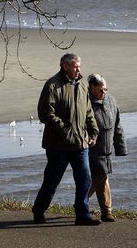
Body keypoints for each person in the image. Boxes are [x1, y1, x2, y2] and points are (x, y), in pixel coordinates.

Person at [32, 53, 100, 226]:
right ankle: (39, 210)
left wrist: (93, 131)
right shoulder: (53, 85)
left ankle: (82, 214)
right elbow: (45, 113)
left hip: (80, 144)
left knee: (85, 178)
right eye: (76, 66)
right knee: (52, 181)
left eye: (79, 66)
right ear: (65, 66)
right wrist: (65, 130)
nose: (79, 69)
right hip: (58, 145)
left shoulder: (82, 85)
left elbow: (88, 111)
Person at [87, 74, 127, 222]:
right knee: (101, 177)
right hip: (90, 148)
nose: (104, 93)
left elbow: (117, 125)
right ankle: (106, 211)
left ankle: (81, 203)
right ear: (91, 88)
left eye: (105, 89)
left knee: (94, 180)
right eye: (100, 90)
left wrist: (121, 147)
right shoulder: (84, 102)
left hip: (106, 149)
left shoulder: (110, 100)